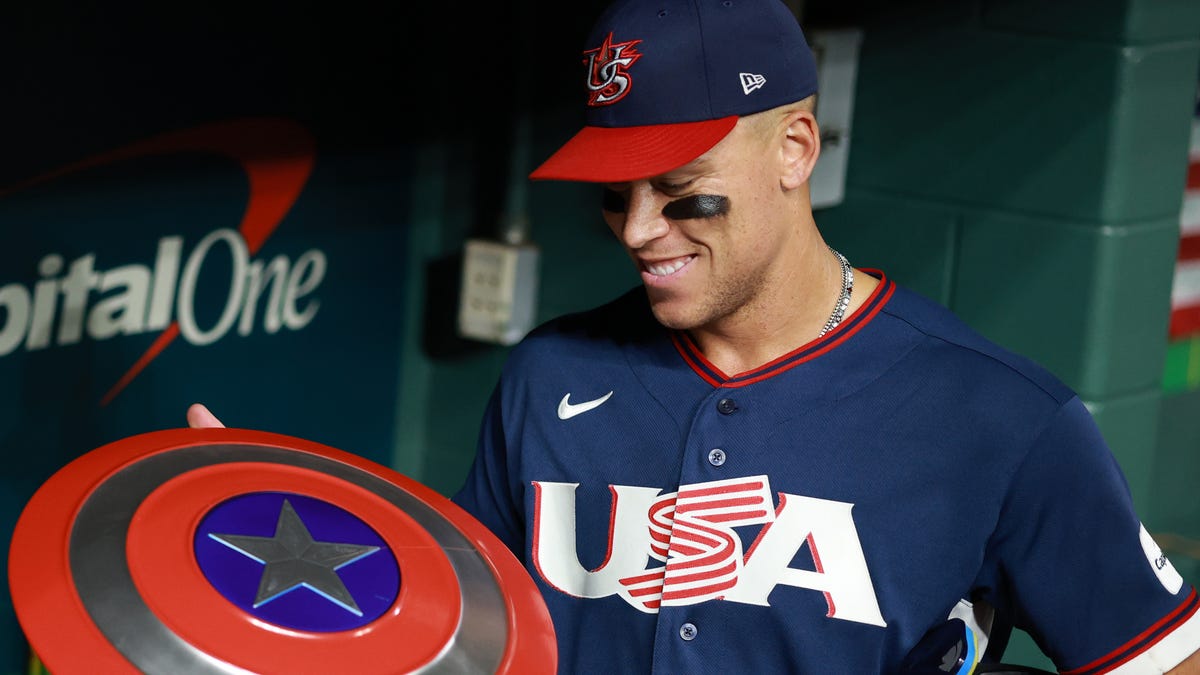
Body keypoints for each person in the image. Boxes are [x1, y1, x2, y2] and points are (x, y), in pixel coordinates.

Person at [192, 0, 1200, 672]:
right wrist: (262, 526)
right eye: (614, 198)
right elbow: (456, 628)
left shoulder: (1003, 421)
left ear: (794, 149)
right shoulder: (551, 374)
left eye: (683, 196)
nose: (637, 233)